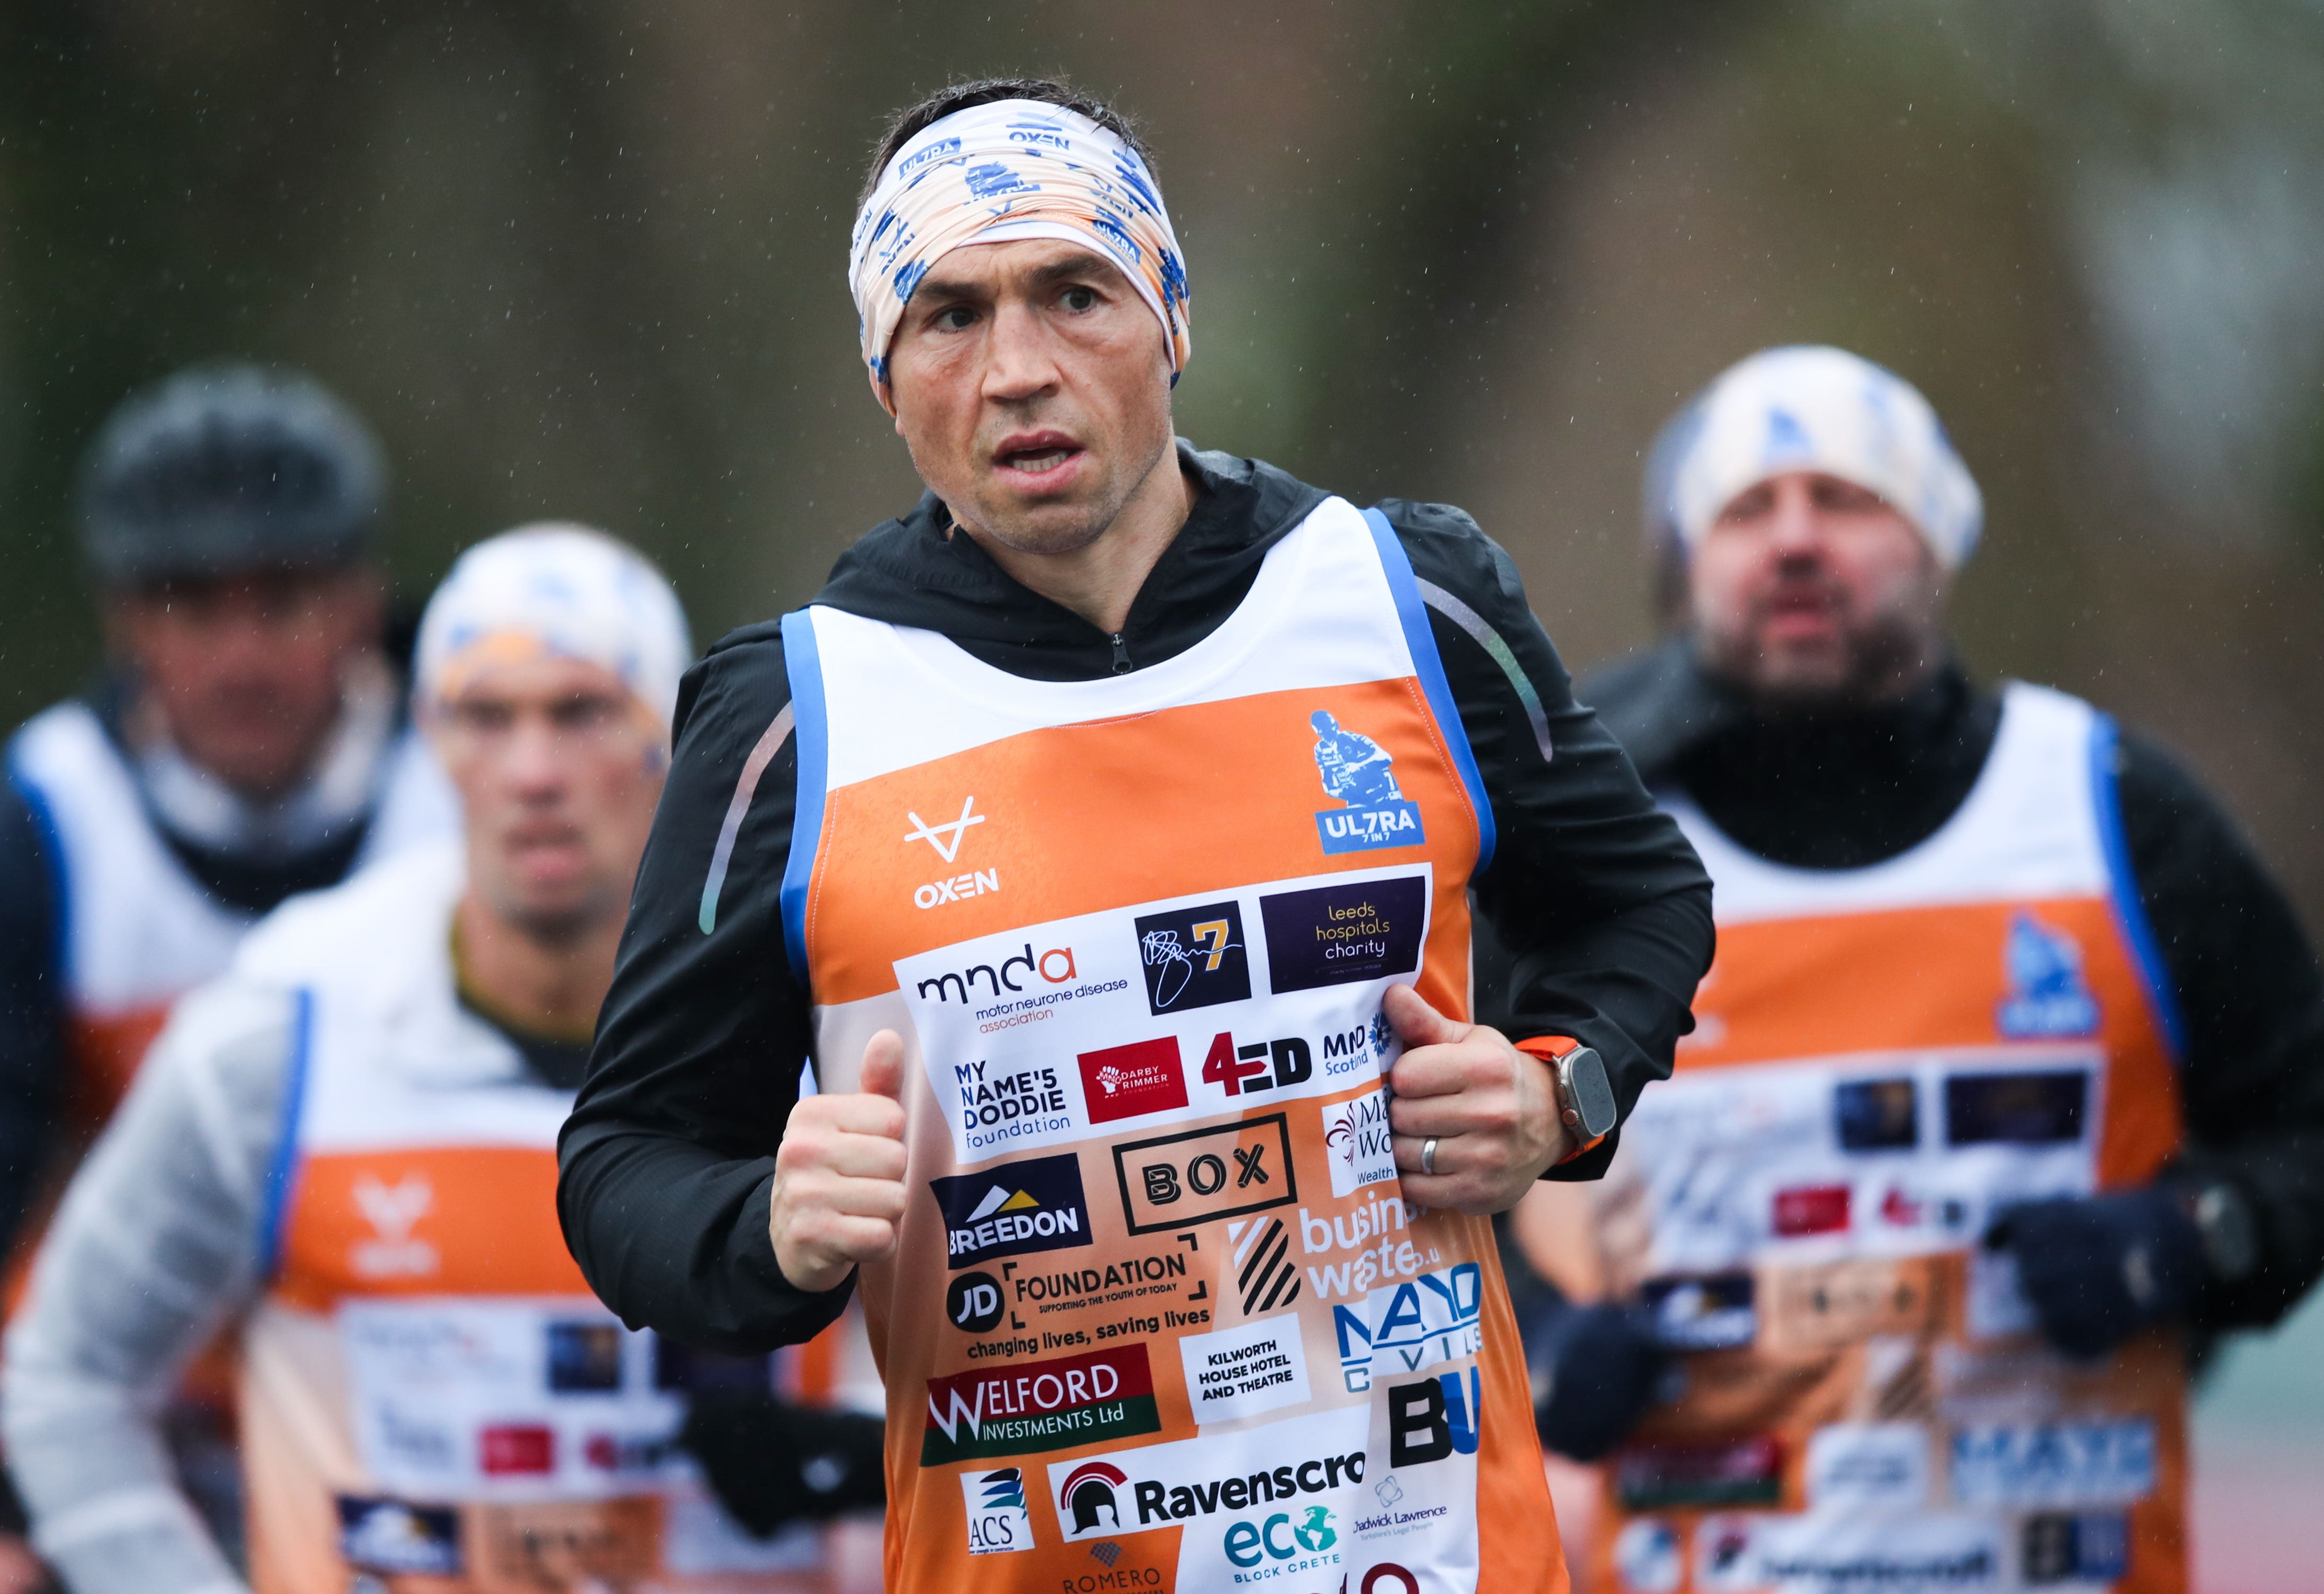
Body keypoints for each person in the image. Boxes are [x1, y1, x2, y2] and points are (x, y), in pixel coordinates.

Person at [559, 77, 1715, 1594]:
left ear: (1171, 319)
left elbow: (1642, 905)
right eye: (949, 318)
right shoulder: (792, 714)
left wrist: (1559, 1094)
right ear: (884, 380)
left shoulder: (1404, 599)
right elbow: (622, 1161)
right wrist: (765, 1224)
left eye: (1074, 293)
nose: (1020, 369)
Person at [1514, 345, 2324, 1594]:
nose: (1793, 540)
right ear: (1687, 569)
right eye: (1744, 509)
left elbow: (2301, 1128)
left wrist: (2187, 1234)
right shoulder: (1582, 854)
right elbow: (1417, 1167)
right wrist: (1535, 1335)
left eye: (1844, 500)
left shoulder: (2107, 809)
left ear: (1936, 543)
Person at [0, 524, 888, 1593]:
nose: (532, 772)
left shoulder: (824, 1018)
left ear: (674, 743)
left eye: (583, 711)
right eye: (483, 715)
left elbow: (999, 1347)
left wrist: (865, 1462)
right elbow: (66, 1379)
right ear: (428, 741)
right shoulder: (282, 1040)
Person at [0, 363, 458, 1594]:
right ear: (124, 619)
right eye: (193, 604)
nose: (240, 654)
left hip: (426, 1405)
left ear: (357, 602)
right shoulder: (46, 828)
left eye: (282, 599)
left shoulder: (476, 789)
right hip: (109, 1420)